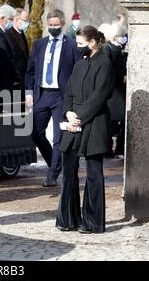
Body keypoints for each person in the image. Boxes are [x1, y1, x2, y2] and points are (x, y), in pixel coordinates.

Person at [56, 25, 114, 234]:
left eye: (81, 44)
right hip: (74, 122)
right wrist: (68, 112)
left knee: (93, 172)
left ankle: (92, 222)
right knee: (68, 167)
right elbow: (69, 90)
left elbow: (99, 96)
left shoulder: (104, 63)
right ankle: (68, 218)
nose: (78, 47)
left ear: (92, 42)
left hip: (94, 122)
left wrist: (79, 117)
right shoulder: (80, 64)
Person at [25, 9, 81, 187]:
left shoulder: (71, 45)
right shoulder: (39, 44)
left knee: (58, 137)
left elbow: (77, 71)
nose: (53, 28)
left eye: (56, 25)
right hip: (42, 94)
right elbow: (31, 70)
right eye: (50, 25)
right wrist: (29, 92)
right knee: (35, 132)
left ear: (63, 24)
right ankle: (54, 164)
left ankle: (52, 175)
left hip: (61, 95)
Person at [102, 23, 127, 156]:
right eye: (122, 35)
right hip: (113, 90)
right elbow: (107, 69)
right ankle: (107, 149)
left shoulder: (119, 48)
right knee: (111, 120)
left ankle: (118, 148)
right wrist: (121, 76)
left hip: (119, 90)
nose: (124, 38)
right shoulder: (108, 49)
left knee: (120, 119)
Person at [6, 8, 30, 93]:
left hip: (23, 78)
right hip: (15, 80)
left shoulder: (21, 33)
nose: (27, 23)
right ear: (16, 19)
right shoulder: (8, 35)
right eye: (25, 20)